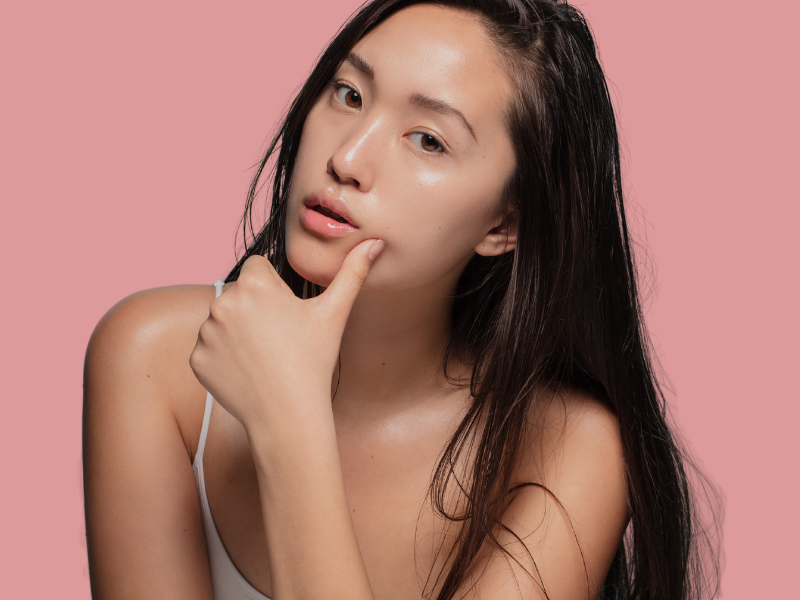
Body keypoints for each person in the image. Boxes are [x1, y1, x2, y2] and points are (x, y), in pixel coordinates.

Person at [82, 1, 721, 599]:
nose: (347, 157)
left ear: (503, 224)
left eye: (428, 139)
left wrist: (291, 423)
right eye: (349, 95)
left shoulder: (568, 445)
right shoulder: (156, 358)